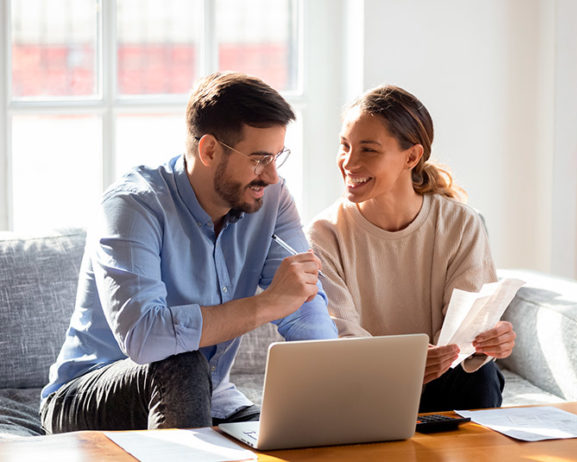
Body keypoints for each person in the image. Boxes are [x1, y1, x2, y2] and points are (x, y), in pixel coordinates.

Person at [40, 71, 337, 433]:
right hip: (86, 394)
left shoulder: (271, 199)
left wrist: (335, 389)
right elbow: (145, 337)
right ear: (209, 150)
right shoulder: (133, 207)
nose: (272, 176)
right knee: (182, 363)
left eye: (277, 157)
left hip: (211, 397)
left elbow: (304, 306)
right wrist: (265, 304)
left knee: (294, 437)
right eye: (260, 159)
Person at [307, 85, 515, 412]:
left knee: (480, 376)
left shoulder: (461, 223)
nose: (349, 162)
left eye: (368, 150)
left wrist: (487, 342)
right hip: (366, 385)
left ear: (412, 156)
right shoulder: (324, 234)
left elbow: (465, 334)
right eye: (344, 146)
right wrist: (406, 365)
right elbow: (341, 339)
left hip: (445, 379)